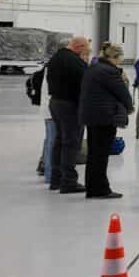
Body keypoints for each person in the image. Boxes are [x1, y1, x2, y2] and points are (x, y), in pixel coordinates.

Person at [78, 41, 132, 200]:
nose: (119, 63)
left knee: (94, 154)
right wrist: (129, 107)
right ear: (113, 58)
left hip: (92, 116)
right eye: (119, 60)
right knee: (101, 155)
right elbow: (123, 93)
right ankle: (100, 189)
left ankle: (92, 187)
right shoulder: (109, 71)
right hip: (105, 117)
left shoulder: (93, 68)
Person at [46, 35, 90, 194]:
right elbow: (86, 81)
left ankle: (55, 179)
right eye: (85, 49)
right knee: (71, 143)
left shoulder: (56, 57)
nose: (86, 53)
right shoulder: (74, 61)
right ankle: (69, 182)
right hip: (70, 105)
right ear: (79, 47)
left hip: (55, 103)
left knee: (59, 141)